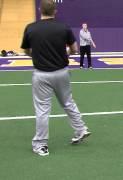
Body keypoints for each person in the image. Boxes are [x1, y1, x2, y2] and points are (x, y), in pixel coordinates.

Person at [21, 0, 91, 156]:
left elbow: (26, 50)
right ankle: (80, 128)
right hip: (61, 72)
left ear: (40, 10)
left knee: (42, 110)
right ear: (55, 11)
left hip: (41, 74)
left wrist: (37, 54)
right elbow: (74, 49)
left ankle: (41, 144)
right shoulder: (63, 27)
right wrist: (63, 53)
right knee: (68, 102)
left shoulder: (31, 28)